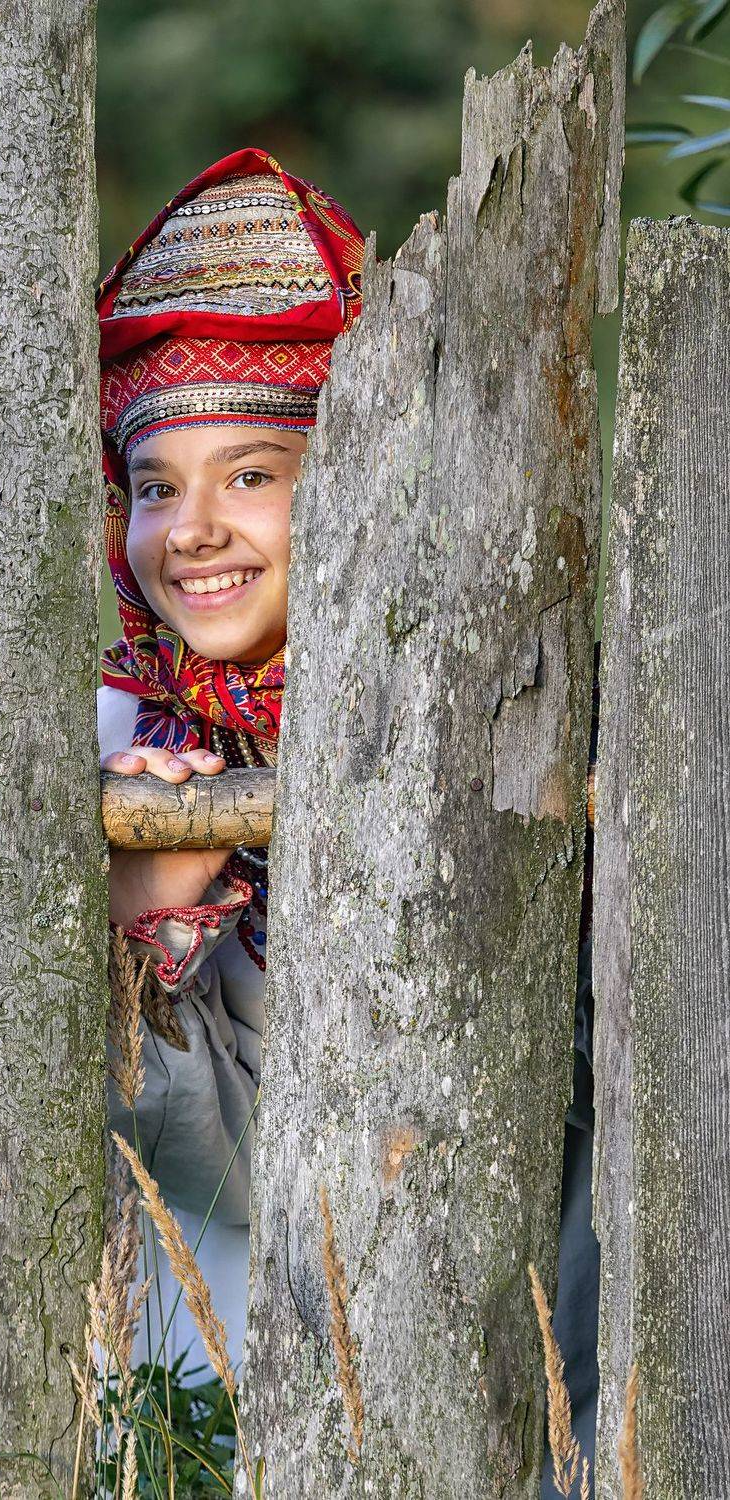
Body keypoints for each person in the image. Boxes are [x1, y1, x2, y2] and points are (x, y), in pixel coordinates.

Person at [96, 147, 599, 1492]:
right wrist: (149, 934)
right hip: (185, 1408)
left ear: (364, 479)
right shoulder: (105, 756)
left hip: (490, 1392)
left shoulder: (489, 728)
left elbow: (429, 1143)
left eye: (253, 474)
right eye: (157, 485)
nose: (192, 529)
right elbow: (215, 1184)